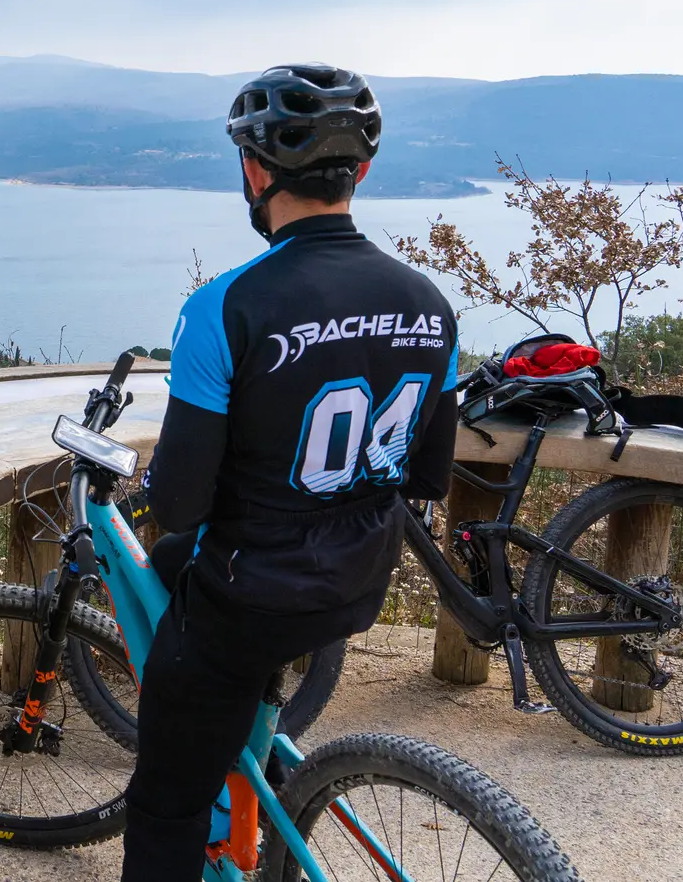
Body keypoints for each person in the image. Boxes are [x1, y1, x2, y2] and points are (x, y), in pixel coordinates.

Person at [119, 64, 460, 880]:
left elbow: (178, 504)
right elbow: (430, 477)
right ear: (361, 173)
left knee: (162, 805)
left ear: (255, 170)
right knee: (178, 577)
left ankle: (217, 783)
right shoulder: (429, 304)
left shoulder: (225, 308)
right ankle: (258, 762)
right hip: (357, 577)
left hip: (250, 596)